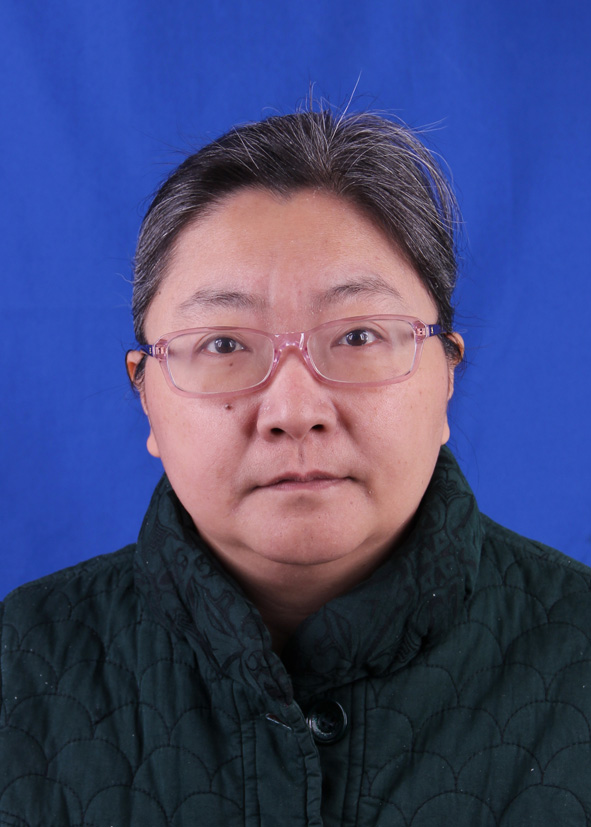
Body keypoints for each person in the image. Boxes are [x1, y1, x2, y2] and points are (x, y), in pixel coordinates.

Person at [1, 108, 590, 827]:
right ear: (145, 395)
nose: (294, 409)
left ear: (446, 378)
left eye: (359, 335)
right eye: (223, 344)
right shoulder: (20, 662)